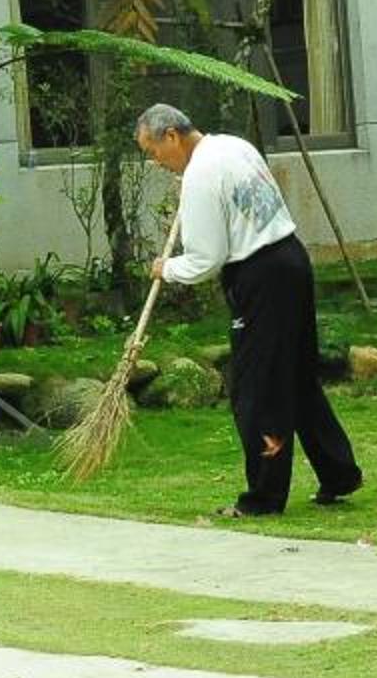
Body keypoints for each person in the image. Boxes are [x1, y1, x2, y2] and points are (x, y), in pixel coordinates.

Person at [137, 102, 360, 517]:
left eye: (154, 152)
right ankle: (339, 473)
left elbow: (205, 260)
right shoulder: (233, 146)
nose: (156, 162)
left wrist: (166, 268)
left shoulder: (201, 174)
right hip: (291, 259)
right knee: (296, 378)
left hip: (261, 277)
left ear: (171, 136)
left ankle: (263, 498)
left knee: (256, 391)